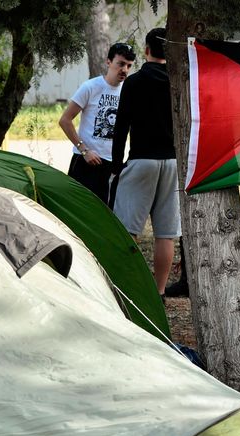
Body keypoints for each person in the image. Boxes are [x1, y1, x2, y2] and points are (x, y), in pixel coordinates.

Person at [111, 28, 181, 297]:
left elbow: (121, 126)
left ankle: (128, 288)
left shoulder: (134, 82)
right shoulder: (178, 81)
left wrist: (116, 165)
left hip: (141, 160)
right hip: (172, 162)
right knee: (165, 234)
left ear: (146, 50)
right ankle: (159, 292)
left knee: (128, 229)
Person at [59, 42, 135, 204]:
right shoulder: (90, 87)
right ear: (108, 62)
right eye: (121, 64)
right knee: (78, 209)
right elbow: (65, 120)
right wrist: (84, 150)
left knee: (107, 211)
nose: (125, 70)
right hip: (85, 161)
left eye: (129, 66)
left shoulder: (128, 91)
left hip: (112, 165)